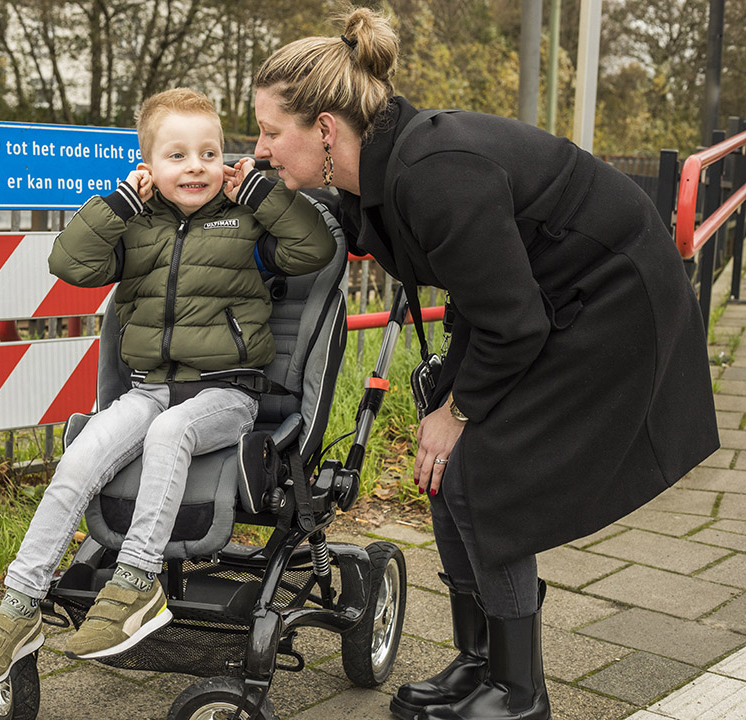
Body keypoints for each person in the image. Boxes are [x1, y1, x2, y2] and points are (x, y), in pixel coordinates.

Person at [252, 7, 719, 720]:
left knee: (482, 474)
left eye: (267, 131)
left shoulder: (433, 171)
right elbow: (484, 291)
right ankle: (480, 666)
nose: (259, 148)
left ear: (322, 127)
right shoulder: (373, 170)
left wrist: (458, 411)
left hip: (614, 299)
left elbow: (514, 319)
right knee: (446, 474)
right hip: (533, 302)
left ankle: (520, 694)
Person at [0, 88, 336, 686]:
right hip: (148, 387)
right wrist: (117, 205)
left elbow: (315, 247)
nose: (195, 166)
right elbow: (71, 264)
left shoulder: (247, 223)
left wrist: (261, 195)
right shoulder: (137, 227)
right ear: (148, 168)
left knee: (170, 432)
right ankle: (19, 603)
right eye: (177, 155)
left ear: (226, 161)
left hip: (227, 393)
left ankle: (136, 582)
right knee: (79, 460)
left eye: (209, 153)